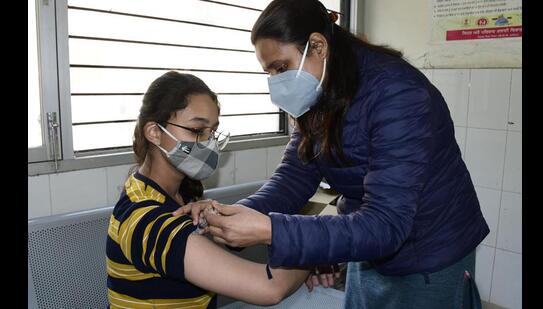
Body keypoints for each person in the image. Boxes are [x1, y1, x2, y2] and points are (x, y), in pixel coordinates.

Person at [177, 0, 489, 308]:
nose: (275, 83)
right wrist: (231, 215)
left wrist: (273, 231)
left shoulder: (399, 94)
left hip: (431, 252)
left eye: (281, 68)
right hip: (370, 245)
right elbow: (293, 179)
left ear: (318, 46)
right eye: (269, 72)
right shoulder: (317, 92)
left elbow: (386, 225)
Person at [105, 71, 309, 309]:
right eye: (196, 131)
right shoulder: (147, 220)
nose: (208, 143)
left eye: (212, 132)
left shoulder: (177, 194)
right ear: (154, 132)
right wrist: (315, 255)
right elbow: (270, 288)